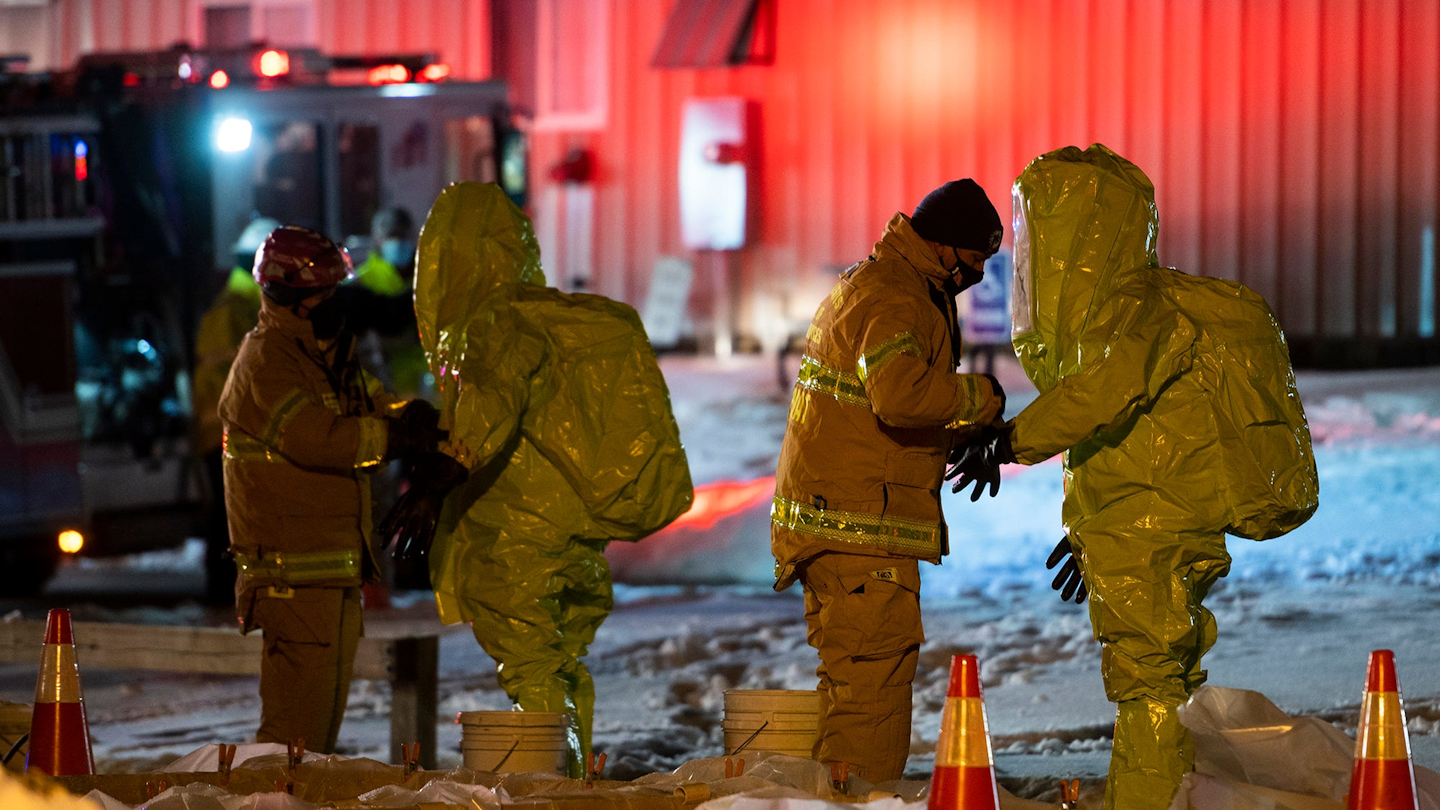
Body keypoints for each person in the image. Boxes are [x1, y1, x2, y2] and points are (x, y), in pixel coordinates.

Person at [948, 145, 1317, 810]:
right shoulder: (1142, 311)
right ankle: (1164, 797)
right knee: (1162, 681)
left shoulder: (1136, 312)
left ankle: (1148, 802)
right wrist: (1093, 528)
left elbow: (1102, 395)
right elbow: (1127, 441)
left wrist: (1009, 442)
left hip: (1151, 529)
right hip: (1145, 522)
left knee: (1148, 685)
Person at [377, 182, 691, 778]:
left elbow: (491, 407)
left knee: (532, 666)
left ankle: (553, 785)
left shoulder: (493, 325)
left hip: (517, 529)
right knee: (560, 661)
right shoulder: (544, 319)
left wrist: (434, 486)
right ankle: (569, 775)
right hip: (572, 526)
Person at [769, 179, 1008, 784]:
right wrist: (983, 398)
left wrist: (956, 435)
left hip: (846, 527)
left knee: (855, 689)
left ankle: (840, 797)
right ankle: (859, 802)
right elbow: (900, 396)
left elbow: (873, 416)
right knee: (872, 696)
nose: (977, 275)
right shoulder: (897, 297)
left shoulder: (886, 284)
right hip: (859, 536)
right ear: (942, 244)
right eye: (973, 258)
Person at [218, 225, 443, 752]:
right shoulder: (267, 362)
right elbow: (317, 439)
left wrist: (407, 414)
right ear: (291, 298)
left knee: (314, 739)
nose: (338, 302)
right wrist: (393, 438)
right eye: (326, 292)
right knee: (292, 738)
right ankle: (269, 797)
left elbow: (368, 403)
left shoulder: (320, 357)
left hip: (325, 574)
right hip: (291, 579)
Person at [192, 216, 279, 605]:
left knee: (238, 516)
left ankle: (231, 592)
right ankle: (222, 593)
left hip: (234, 431)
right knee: (230, 518)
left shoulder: (247, 305)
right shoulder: (236, 310)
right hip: (228, 432)